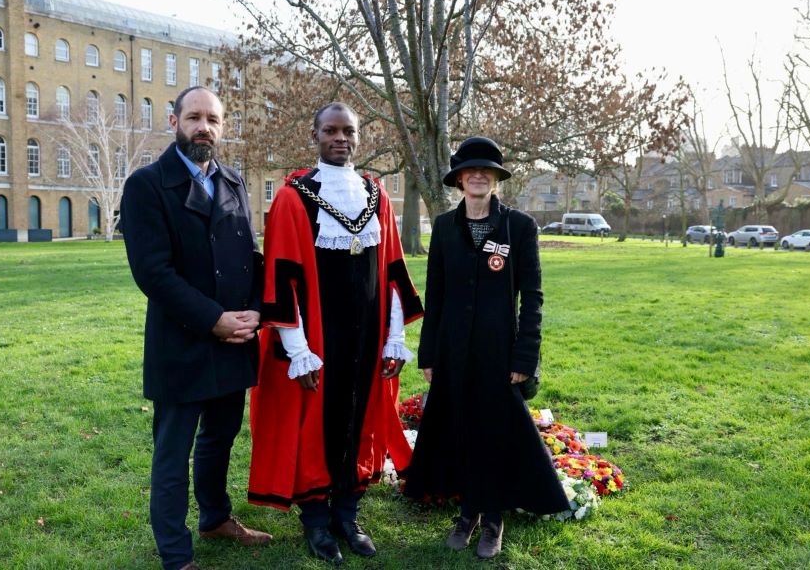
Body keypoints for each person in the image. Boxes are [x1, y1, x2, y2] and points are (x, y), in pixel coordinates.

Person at [247, 102, 423, 564]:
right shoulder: (294, 197)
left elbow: (392, 271)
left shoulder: (377, 195)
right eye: (330, 130)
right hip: (318, 339)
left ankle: (348, 515)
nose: (340, 138)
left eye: (348, 131)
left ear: (358, 137)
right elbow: (283, 279)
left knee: (360, 420)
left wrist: (394, 339)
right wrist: (298, 351)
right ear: (315, 135)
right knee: (313, 425)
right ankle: (316, 522)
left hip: (367, 335)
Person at [121, 86, 272, 570]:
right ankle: (176, 554)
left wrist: (255, 311)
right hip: (181, 342)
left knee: (220, 438)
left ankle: (215, 518)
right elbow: (153, 273)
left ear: (222, 127)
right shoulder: (146, 185)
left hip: (234, 341)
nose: (203, 127)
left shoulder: (233, 181)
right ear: (174, 122)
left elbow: (249, 255)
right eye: (194, 118)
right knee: (173, 452)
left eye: (213, 119)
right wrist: (214, 320)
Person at [403, 136, 570, 560]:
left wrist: (525, 356)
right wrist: (429, 354)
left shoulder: (519, 227)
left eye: (486, 170)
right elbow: (436, 294)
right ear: (460, 179)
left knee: (495, 432)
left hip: (500, 353)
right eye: (470, 170)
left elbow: (532, 297)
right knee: (461, 430)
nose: (478, 175)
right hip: (453, 351)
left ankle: (493, 518)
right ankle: (468, 512)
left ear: (495, 178)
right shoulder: (444, 227)